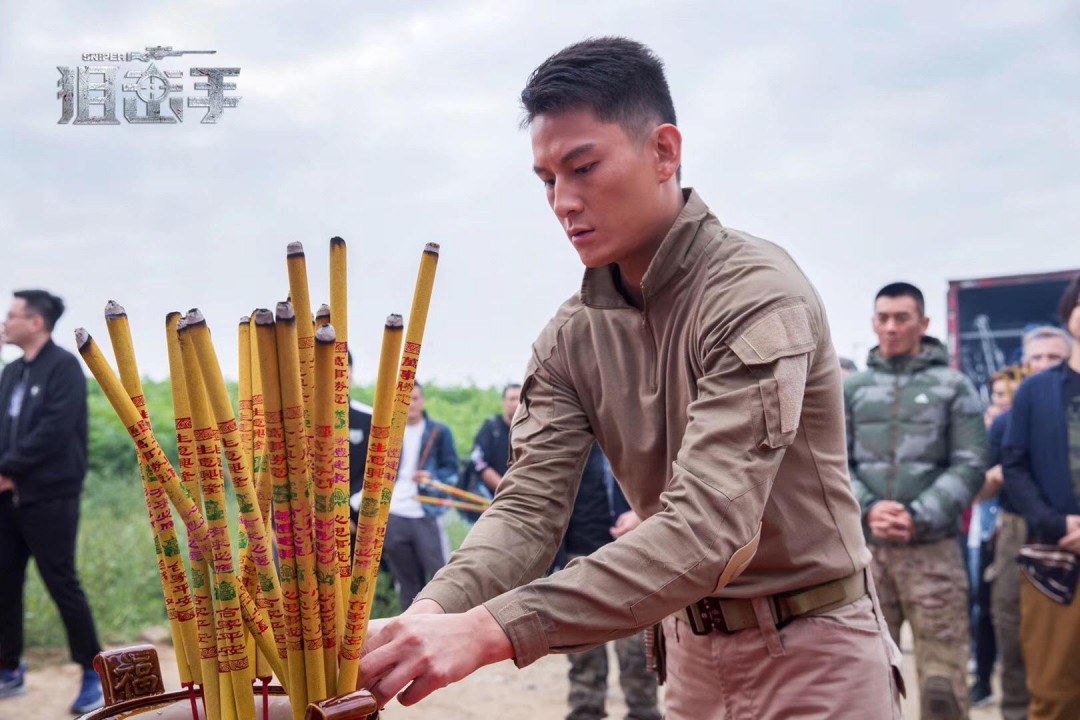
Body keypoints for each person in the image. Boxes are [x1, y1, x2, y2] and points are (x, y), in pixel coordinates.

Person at [358, 37, 902, 719]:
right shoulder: (572, 336)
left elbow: (709, 531)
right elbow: (527, 512)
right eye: (547, 180)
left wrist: (488, 630)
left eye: (583, 168)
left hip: (812, 654)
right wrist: (432, 617)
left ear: (664, 152)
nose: (562, 201)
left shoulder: (756, 296)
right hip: (688, 659)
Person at [845, 281, 986, 719]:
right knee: (864, 681)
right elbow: (832, 463)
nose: (890, 327)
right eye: (882, 318)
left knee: (942, 684)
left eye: (901, 318)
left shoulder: (953, 387)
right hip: (865, 557)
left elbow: (971, 462)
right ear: (873, 322)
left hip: (933, 555)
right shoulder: (851, 391)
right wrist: (869, 507)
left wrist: (918, 515)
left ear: (922, 323)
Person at [0, 290, 104, 714]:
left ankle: (94, 672)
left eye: (12, 315)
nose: (5, 322)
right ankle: (9, 667)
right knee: (4, 580)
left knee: (62, 582)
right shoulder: (11, 372)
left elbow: (54, 431)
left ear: (36, 322)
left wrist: (8, 469)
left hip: (50, 496)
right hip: (8, 498)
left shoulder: (64, 368)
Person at [1002, 276, 1080, 719]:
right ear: (1070, 312)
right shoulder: (1036, 391)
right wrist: (1054, 522)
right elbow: (1015, 466)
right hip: (1055, 559)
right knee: (1055, 695)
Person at [986, 326, 1070, 720]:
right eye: (1036, 358)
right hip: (1019, 531)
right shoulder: (1005, 421)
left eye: (1053, 358)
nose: (1043, 365)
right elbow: (985, 482)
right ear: (1025, 365)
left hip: (1065, 533)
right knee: (1013, 633)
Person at [558, 444, 660, 720]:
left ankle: (644, 712)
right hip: (578, 555)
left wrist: (645, 514)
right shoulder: (567, 439)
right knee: (582, 650)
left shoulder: (632, 433)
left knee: (637, 649)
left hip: (632, 554)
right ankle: (585, 711)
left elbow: (670, 483)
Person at [382, 382, 457, 610]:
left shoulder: (438, 431)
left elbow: (452, 471)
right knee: (407, 582)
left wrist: (430, 477)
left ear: (422, 401)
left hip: (426, 511)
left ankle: (443, 628)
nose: (410, 404)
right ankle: (409, 629)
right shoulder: (386, 432)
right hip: (394, 512)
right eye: (406, 399)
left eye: (415, 398)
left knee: (439, 577)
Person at [469, 383, 522, 494]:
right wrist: (506, 488)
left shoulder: (534, 429)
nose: (516, 403)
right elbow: (478, 461)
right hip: (492, 497)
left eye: (520, 398)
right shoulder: (491, 428)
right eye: (512, 399)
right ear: (504, 402)